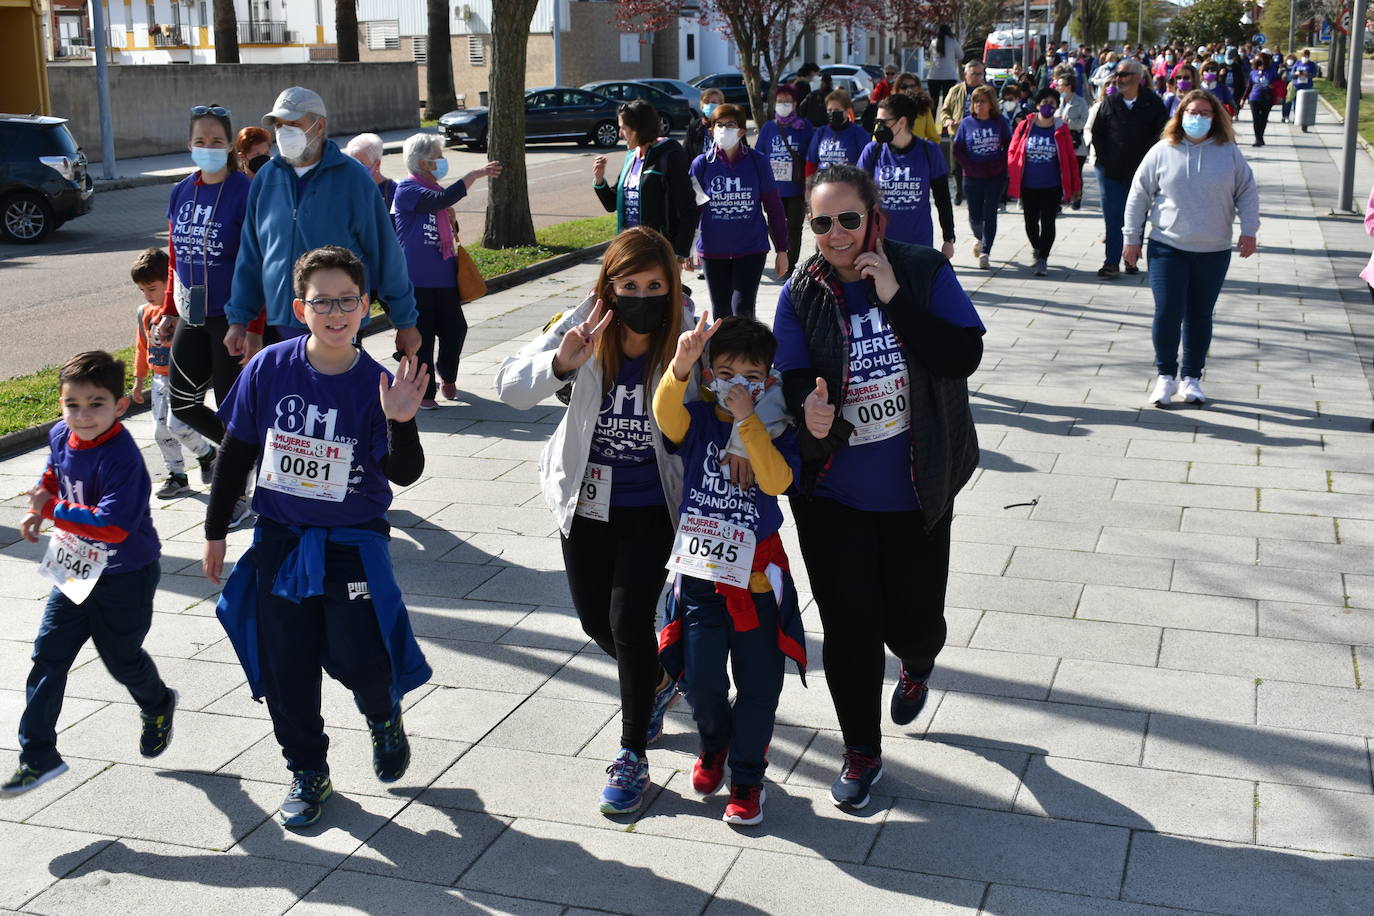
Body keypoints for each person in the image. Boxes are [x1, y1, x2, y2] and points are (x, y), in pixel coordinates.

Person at [772, 165, 983, 811]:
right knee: (850, 627)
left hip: (917, 487)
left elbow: (961, 355)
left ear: (873, 216)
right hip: (832, 494)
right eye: (821, 223)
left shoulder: (919, 270)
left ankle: (919, 662)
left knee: (913, 623)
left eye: (848, 219)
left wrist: (894, 297)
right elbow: (794, 373)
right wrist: (806, 407)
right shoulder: (801, 292)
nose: (836, 235)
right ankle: (860, 749)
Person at [203, 246, 431, 829]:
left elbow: (403, 473)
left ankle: (382, 715)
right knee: (287, 665)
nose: (336, 313)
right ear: (300, 308)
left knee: (359, 656)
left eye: (347, 301)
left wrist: (402, 423)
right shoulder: (269, 367)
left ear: (364, 307)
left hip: (352, 542)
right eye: (322, 302)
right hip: (279, 539)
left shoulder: (379, 383)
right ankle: (308, 771)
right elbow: (236, 452)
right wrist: (215, 532)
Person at [493, 227, 693, 816]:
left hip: (652, 505)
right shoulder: (582, 325)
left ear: (672, 287)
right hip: (586, 503)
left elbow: (740, 389)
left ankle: (632, 755)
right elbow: (509, 387)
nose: (642, 296)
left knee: (629, 622)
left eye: (655, 285)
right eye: (629, 285)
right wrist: (559, 362)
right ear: (608, 286)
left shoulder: (687, 334)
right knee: (594, 623)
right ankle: (657, 682)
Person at [651, 314, 804, 827]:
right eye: (726, 374)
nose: (738, 386)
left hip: (758, 582)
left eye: (751, 377)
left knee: (760, 686)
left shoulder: (775, 428)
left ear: (769, 380)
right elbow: (664, 417)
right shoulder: (697, 418)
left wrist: (748, 423)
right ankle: (713, 745)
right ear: (710, 376)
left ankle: (747, 778)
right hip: (701, 576)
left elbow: (778, 480)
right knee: (704, 679)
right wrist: (681, 365)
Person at [4, 351, 177, 794]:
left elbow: (115, 525)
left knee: (121, 659)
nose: (82, 415)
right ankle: (38, 754)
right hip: (75, 566)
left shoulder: (123, 459)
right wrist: (38, 502)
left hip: (126, 574)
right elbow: (53, 472)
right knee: (48, 654)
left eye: (96, 403)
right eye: (73, 404)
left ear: (120, 406)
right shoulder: (62, 434)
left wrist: (53, 509)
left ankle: (157, 702)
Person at [227, 86, 420, 357]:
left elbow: (386, 253)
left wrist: (405, 321)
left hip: (337, 323)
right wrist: (239, 320)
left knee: (333, 398)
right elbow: (251, 256)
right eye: (280, 125)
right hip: (280, 325)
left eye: (294, 124)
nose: (284, 132)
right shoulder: (266, 179)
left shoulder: (353, 179)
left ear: (320, 126)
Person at [1122, 91, 1258, 407]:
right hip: (1168, 247)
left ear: (1216, 117)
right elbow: (1138, 195)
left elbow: (1247, 192)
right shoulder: (1161, 151)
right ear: (1181, 114)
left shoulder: (1230, 153)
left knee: (1199, 315)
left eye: (1205, 113)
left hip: (1213, 250)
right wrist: (1131, 238)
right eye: (1191, 111)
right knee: (1168, 312)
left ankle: (1192, 377)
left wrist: (1249, 230)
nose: (1197, 118)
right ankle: (1166, 376)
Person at [162, 104, 259, 527]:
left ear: (230, 146)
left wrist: (251, 324)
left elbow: (259, 260)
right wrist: (168, 310)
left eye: (216, 141)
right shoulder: (181, 190)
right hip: (190, 313)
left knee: (230, 408)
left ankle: (238, 491)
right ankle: (245, 454)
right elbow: (174, 256)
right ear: (189, 145)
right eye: (199, 142)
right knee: (181, 403)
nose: (207, 148)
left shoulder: (246, 190)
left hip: (232, 317)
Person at [394, 133, 502, 409]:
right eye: (438, 157)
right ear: (423, 163)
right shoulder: (408, 190)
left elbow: (441, 210)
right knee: (424, 337)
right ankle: (425, 392)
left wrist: (451, 220)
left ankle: (448, 374)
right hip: (417, 280)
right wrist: (475, 174)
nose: (443, 161)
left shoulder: (435, 192)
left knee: (456, 329)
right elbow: (439, 201)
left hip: (444, 278)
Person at [688, 104, 789, 319]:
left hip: (751, 249)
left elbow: (774, 206)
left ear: (742, 130)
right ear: (711, 130)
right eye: (719, 125)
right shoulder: (701, 165)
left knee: (743, 310)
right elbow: (692, 209)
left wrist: (782, 249)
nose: (724, 129)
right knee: (721, 312)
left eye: (731, 124)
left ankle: (748, 353)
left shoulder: (757, 161)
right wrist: (687, 247)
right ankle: (722, 352)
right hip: (713, 250)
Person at [130, 247, 214, 498]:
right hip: (158, 379)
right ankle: (177, 475)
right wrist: (138, 380)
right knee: (160, 431)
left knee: (177, 425)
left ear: (169, 284)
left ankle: (207, 454)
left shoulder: (181, 312)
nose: (147, 295)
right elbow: (141, 345)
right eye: (142, 290)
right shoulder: (144, 313)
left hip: (183, 376)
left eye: (152, 289)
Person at [594, 99, 697, 267]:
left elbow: (688, 207)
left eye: (624, 128)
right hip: (629, 248)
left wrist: (680, 251)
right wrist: (599, 181)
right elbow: (612, 204)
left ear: (639, 129)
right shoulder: (631, 157)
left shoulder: (670, 154)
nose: (620, 134)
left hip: (661, 250)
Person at [1090, 58, 1168, 279]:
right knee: (1113, 217)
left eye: (1123, 75)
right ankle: (1111, 261)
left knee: (1136, 214)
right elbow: (1098, 133)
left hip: (1142, 172)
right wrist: (1104, 161)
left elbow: (1162, 136)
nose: (1118, 79)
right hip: (1111, 171)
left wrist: (1153, 165)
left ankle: (1131, 259)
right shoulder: (1110, 102)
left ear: (1137, 77)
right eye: (1117, 75)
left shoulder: (1153, 103)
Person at [859, 93, 955, 257]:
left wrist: (948, 238)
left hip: (918, 245)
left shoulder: (929, 151)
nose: (878, 127)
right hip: (879, 244)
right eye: (877, 122)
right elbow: (857, 194)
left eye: (883, 122)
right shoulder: (872, 151)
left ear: (902, 122)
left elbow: (942, 197)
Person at [1007, 88, 1082, 276]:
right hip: (1028, 185)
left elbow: (1070, 160)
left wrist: (1076, 186)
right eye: (1044, 102)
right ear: (1037, 104)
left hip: (1052, 185)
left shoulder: (1061, 129)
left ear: (1057, 106)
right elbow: (1012, 152)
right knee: (1030, 222)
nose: (1047, 106)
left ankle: (1043, 258)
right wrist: (1011, 176)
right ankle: (1037, 247)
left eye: (1052, 103)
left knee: (1048, 222)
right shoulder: (1025, 126)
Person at [953, 85, 1011, 271]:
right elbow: (957, 149)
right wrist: (970, 165)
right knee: (975, 216)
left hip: (995, 175)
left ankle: (986, 251)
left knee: (990, 212)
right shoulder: (967, 123)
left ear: (991, 103)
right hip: (972, 175)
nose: (978, 105)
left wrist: (1000, 164)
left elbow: (1009, 145)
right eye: (975, 101)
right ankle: (980, 237)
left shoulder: (999, 121)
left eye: (982, 101)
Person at [756, 85, 813, 271]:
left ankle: (791, 262)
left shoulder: (804, 127)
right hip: (773, 188)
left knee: (795, 227)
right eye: (780, 101)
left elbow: (812, 155)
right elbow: (759, 155)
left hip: (796, 187)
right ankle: (782, 251)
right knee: (775, 225)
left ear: (795, 103)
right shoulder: (768, 127)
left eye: (787, 101)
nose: (783, 105)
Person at [939, 60, 987, 205]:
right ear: (966, 74)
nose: (977, 77)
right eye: (974, 74)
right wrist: (947, 120)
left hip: (978, 134)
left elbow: (993, 110)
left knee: (978, 165)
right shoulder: (956, 90)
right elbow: (945, 110)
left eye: (980, 74)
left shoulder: (985, 91)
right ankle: (959, 192)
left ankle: (976, 193)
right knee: (956, 166)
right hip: (958, 133)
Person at [805, 89, 870, 176]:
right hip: (823, 184)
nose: (832, 113)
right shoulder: (821, 132)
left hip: (847, 184)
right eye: (829, 110)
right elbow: (811, 162)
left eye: (836, 110)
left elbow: (866, 164)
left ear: (847, 111)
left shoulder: (858, 133)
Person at [1055, 72, 1090, 209]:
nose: (1058, 87)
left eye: (1060, 85)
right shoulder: (1059, 100)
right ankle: (1061, 198)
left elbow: (1084, 122)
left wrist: (1067, 124)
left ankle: (1077, 198)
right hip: (1060, 142)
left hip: (1076, 143)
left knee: (1076, 172)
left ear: (1068, 86)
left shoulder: (1080, 102)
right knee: (1060, 171)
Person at [345, 132, 398, 211]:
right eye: (352, 163)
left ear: (377, 164)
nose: (354, 169)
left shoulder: (394, 192)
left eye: (361, 164)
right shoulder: (346, 191)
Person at [927, 25, 962, 109]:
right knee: (947, 103)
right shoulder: (953, 42)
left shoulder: (934, 42)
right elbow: (961, 55)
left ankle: (932, 121)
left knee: (933, 103)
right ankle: (945, 120)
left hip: (933, 76)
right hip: (949, 76)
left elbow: (929, 55)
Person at [686, 88, 723, 159]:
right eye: (707, 102)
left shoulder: (729, 125)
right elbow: (686, 152)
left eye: (714, 102)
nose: (710, 105)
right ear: (702, 105)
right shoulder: (695, 126)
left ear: (721, 104)